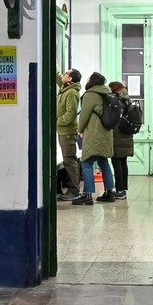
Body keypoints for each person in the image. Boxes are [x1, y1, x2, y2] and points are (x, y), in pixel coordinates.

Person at [73, 71, 116, 205]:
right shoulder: (107, 93)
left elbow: (84, 115)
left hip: (93, 133)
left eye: (88, 78)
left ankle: (87, 195)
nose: (86, 80)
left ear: (93, 81)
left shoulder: (91, 95)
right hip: (106, 133)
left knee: (86, 163)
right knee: (104, 162)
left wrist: (80, 130)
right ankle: (110, 192)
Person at [55, 68, 82, 200]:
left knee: (69, 160)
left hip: (67, 132)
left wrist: (57, 122)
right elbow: (58, 77)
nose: (64, 75)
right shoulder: (65, 88)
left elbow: (71, 114)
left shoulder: (71, 92)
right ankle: (72, 188)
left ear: (70, 78)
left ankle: (74, 190)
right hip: (63, 131)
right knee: (68, 160)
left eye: (66, 73)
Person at [108, 81, 132, 200]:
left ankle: (119, 190)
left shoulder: (116, 99)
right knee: (123, 163)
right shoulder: (127, 98)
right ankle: (123, 189)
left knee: (116, 163)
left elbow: (113, 116)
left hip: (117, 135)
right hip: (126, 134)